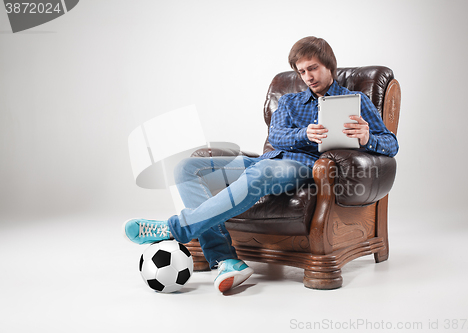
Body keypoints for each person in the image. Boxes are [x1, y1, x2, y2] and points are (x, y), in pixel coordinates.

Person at [123, 36, 399, 293]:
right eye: (301, 72)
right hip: (266, 160)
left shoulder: (357, 102)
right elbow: (276, 136)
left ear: (329, 65)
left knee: (263, 172)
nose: (308, 77)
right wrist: (305, 133)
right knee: (186, 168)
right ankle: (225, 260)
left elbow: (391, 144)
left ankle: (177, 229)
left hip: (306, 167)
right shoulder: (290, 102)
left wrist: (366, 138)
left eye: (312, 68)